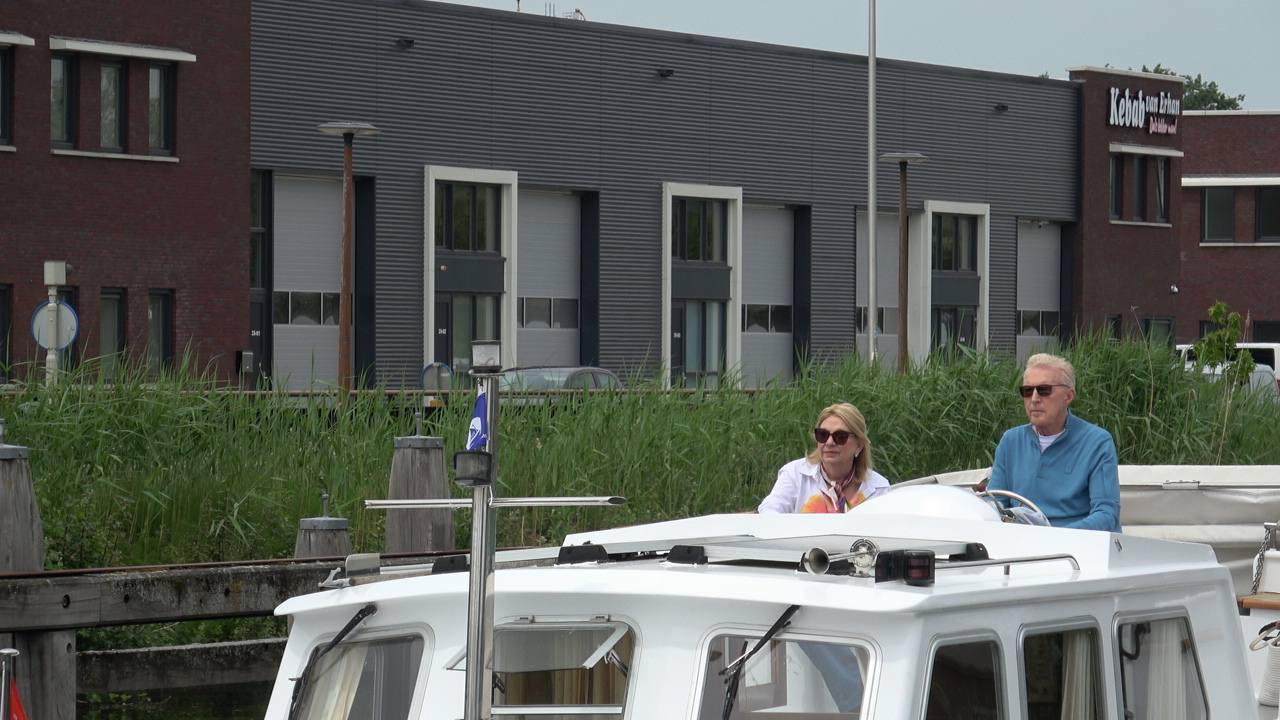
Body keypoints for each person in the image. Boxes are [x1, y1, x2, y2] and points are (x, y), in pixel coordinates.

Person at [987, 353, 1120, 531]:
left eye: (1044, 390)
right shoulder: (1010, 441)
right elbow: (993, 505)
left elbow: (1107, 514)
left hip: (1075, 545)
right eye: (1027, 391)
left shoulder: (1097, 442)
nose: (1034, 399)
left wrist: (1055, 538)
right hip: (1019, 542)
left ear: (1068, 396)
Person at [759, 402, 889, 513]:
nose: (829, 442)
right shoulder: (794, 474)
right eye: (823, 435)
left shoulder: (878, 488)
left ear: (859, 445)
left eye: (840, 437)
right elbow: (769, 512)